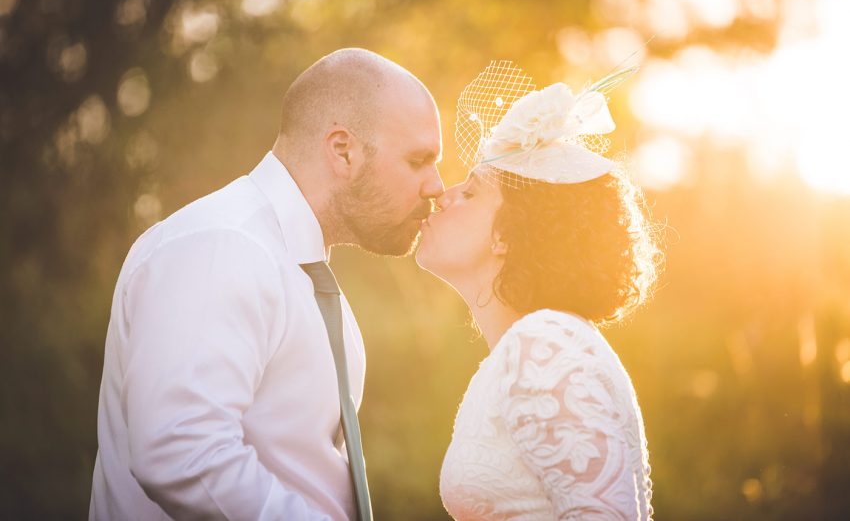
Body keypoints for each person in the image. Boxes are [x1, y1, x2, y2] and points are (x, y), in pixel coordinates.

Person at [89, 48, 444, 520]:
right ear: (343, 151)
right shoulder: (221, 245)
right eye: (419, 160)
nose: (437, 185)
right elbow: (181, 451)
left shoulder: (295, 268)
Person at [416, 61, 660, 520]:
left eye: (470, 194)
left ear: (507, 234)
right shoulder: (523, 349)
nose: (442, 196)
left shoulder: (545, 343)